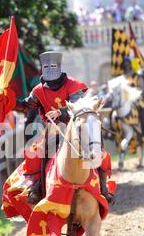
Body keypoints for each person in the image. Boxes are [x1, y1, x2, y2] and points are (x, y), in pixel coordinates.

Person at [17, 51, 114, 205]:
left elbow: (79, 106)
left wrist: (59, 112)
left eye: (53, 65)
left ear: (59, 66)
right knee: (36, 151)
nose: (50, 69)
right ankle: (38, 187)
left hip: (75, 124)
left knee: (96, 147)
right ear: (42, 67)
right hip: (53, 128)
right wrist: (11, 101)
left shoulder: (73, 85)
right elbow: (28, 105)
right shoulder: (38, 90)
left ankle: (102, 187)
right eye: (46, 66)